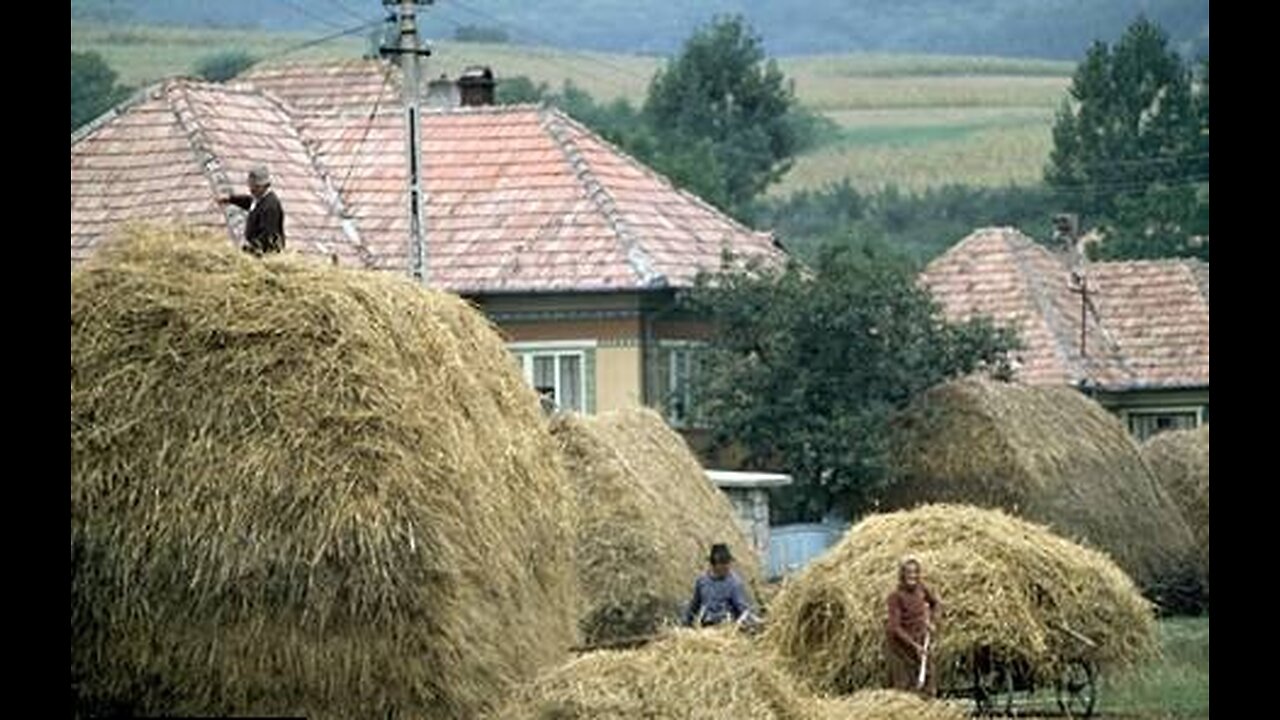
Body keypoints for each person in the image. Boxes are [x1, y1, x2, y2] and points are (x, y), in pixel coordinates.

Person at [885, 557, 941, 696]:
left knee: (928, 681)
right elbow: (895, 628)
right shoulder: (895, 597)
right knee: (906, 686)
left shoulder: (921, 589)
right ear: (902, 575)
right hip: (902, 646)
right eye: (909, 573)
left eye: (915, 572)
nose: (913, 576)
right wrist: (914, 646)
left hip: (922, 640)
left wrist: (932, 622)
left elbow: (935, 604)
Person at [682, 543, 755, 627]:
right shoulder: (702, 581)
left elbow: (743, 609)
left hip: (726, 627)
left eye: (727, 563)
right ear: (714, 565)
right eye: (722, 564)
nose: (727, 567)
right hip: (706, 627)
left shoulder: (734, 583)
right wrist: (686, 623)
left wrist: (751, 623)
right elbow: (694, 605)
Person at [218, 166, 285, 255]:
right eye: (251, 186)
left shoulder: (270, 207)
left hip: (265, 254)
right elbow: (249, 202)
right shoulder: (259, 198)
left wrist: (249, 248)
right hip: (255, 250)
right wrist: (231, 199)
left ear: (265, 186)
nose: (252, 190)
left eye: (256, 187)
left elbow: (267, 236)